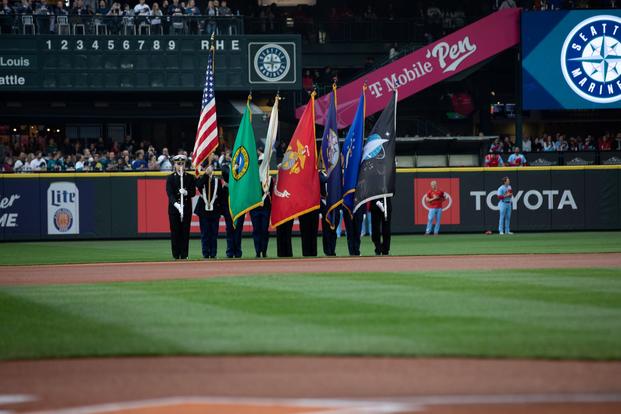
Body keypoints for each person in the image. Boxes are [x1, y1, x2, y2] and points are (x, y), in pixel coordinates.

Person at [166, 154, 196, 259]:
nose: (180, 166)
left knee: (185, 232)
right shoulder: (170, 178)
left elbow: (193, 192)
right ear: (175, 164)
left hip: (186, 208)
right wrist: (177, 205)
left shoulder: (190, 177)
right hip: (174, 209)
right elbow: (170, 194)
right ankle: (176, 255)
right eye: (178, 164)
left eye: (182, 163)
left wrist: (186, 192)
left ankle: (184, 255)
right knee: (175, 232)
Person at [194, 164, 221, 259]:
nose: (209, 169)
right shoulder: (201, 179)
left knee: (214, 233)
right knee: (205, 233)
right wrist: (205, 175)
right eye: (207, 168)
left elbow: (220, 195)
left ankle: (213, 253)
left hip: (215, 210)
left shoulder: (217, 180)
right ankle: (205, 253)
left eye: (211, 167)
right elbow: (199, 185)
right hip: (203, 210)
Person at [221, 163, 243, 258]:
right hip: (228, 208)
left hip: (239, 207)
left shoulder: (242, 167)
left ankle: (238, 252)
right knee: (230, 229)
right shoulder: (226, 166)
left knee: (238, 229)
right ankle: (230, 252)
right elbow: (225, 173)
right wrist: (234, 170)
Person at [250, 181, 271, 258]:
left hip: (266, 207)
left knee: (265, 230)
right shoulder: (252, 176)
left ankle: (264, 251)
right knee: (256, 230)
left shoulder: (268, 176)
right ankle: (258, 252)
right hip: (254, 207)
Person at [319, 171, 337, 256]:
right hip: (324, 204)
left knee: (333, 230)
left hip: (334, 205)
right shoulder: (319, 174)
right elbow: (323, 180)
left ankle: (333, 250)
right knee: (326, 230)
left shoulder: (335, 172)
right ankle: (327, 251)